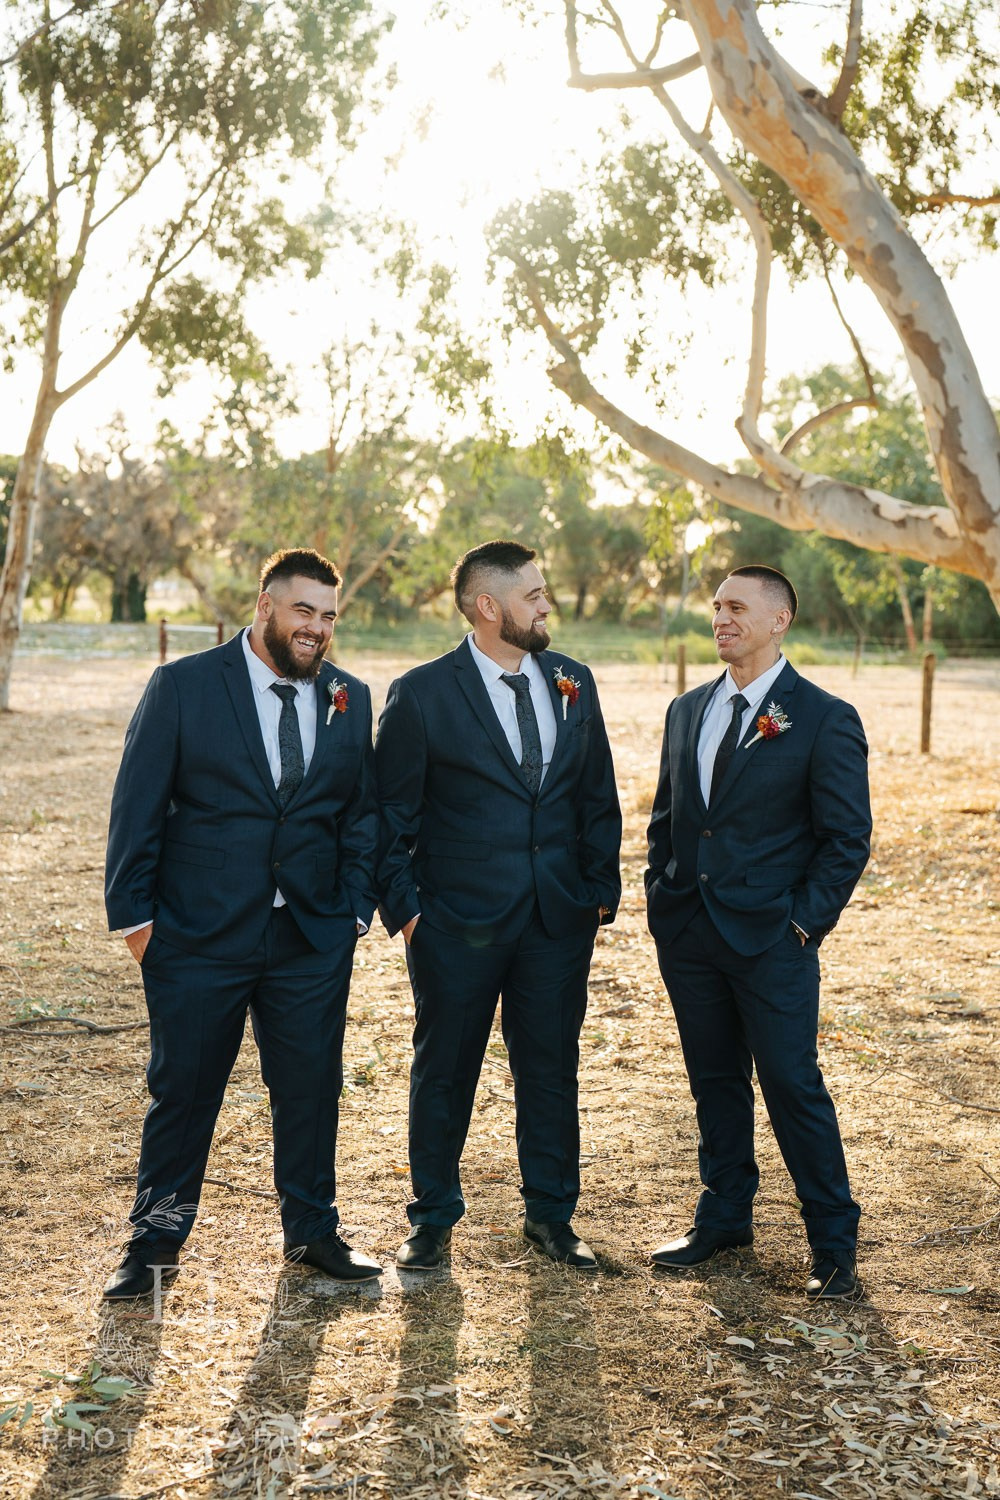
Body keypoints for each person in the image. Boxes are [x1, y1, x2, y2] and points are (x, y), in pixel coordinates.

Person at [103, 547, 381, 1298]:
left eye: (327, 616)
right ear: (265, 606)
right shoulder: (185, 686)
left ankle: (313, 1233)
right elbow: (137, 809)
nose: (315, 629)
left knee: (311, 1088)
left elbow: (361, 816)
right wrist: (137, 925)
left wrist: (353, 911)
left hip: (310, 938)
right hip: (196, 937)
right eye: (302, 611)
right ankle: (154, 1246)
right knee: (184, 1093)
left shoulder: (348, 697)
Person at [375, 539, 622, 1272]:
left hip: (557, 921)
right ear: (489, 607)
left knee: (551, 1068)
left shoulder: (573, 680)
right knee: (445, 1068)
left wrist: (599, 894)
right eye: (533, 595)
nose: (547, 605)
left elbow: (596, 794)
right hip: (455, 924)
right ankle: (432, 1220)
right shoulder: (421, 693)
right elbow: (391, 816)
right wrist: (411, 913)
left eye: (545, 593)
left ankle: (551, 1217)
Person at [645, 565, 871, 1299]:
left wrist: (802, 926)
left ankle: (833, 1242)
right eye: (716, 607)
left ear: (780, 620)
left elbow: (846, 839)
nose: (722, 618)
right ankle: (724, 1216)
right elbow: (668, 820)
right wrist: (663, 901)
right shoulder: (687, 710)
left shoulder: (823, 716)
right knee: (713, 1081)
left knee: (790, 1084)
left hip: (774, 939)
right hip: (691, 936)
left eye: (738, 607)